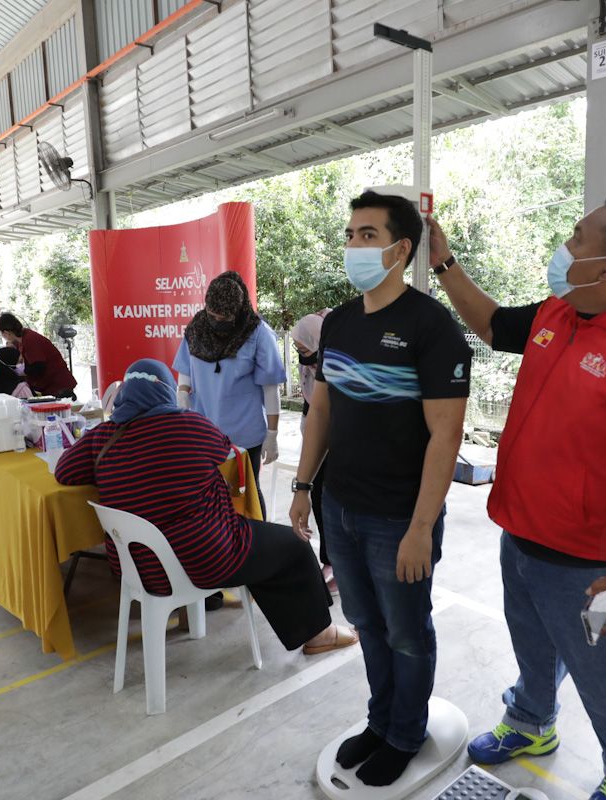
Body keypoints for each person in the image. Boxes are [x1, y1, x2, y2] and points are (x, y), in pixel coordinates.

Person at [427, 197, 606, 800]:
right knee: (533, 646)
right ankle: (532, 723)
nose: (566, 246)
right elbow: (491, 323)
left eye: (578, 237)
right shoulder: (561, 313)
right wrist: (445, 262)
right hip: (522, 533)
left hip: (595, 566)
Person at [289, 191, 473, 787]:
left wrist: (422, 527)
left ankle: (405, 732)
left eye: (366, 235)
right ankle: (380, 720)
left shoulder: (432, 326)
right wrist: (301, 486)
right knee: (366, 624)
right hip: (340, 506)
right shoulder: (338, 322)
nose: (353, 245)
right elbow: (320, 411)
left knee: (407, 632)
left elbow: (446, 436)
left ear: (400, 249)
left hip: (399, 516)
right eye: (349, 234)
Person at [56, 358, 357, 655]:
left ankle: (300, 623)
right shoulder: (189, 425)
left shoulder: (102, 437)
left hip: (139, 568)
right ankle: (321, 634)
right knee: (294, 544)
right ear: (165, 390)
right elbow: (224, 448)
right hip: (206, 558)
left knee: (264, 549)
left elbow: (64, 471)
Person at [173, 271, 286, 510]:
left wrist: (273, 435)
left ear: (237, 312)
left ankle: (255, 544)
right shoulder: (197, 328)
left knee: (247, 495)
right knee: (207, 497)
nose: (216, 321)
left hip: (245, 437)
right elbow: (186, 369)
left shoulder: (258, 333)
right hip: (203, 431)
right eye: (212, 315)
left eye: (223, 318)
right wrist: (182, 393)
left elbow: (270, 388)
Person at [290, 309, 336, 593]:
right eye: (297, 348)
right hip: (317, 441)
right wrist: (301, 486)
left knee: (332, 501)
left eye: (304, 347)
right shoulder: (310, 368)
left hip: (339, 442)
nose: (300, 352)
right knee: (318, 497)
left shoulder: (337, 366)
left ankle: (340, 564)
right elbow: (313, 409)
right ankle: (330, 561)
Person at [0, 313, 77, 398]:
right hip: (47, 386)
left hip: (58, 385)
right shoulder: (20, 341)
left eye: (1, 333)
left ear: (6, 332)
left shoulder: (30, 339)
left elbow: (38, 367)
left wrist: (22, 371)